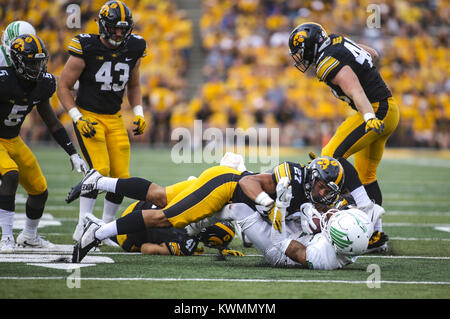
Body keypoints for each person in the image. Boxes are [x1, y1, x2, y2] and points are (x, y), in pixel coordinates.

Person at [69, 152, 383, 263]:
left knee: (160, 194)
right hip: (225, 188)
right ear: (313, 179)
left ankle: (99, 181)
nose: (324, 194)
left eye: (329, 191)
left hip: (227, 193)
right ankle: (98, 232)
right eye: (323, 188)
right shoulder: (293, 176)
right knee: (167, 218)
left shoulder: (314, 195)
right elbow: (247, 181)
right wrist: (266, 203)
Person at [288, 22, 400, 236]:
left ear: (311, 45)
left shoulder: (326, 61)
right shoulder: (338, 41)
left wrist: (368, 117)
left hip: (376, 110)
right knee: (366, 176)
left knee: (330, 156)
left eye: (300, 52)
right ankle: (376, 235)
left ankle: (366, 208)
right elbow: (372, 53)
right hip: (389, 109)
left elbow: (356, 90)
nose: (300, 58)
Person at [57, 1, 148, 243]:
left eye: (123, 28)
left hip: (115, 117)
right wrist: (77, 117)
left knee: (121, 178)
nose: (119, 33)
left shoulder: (135, 46)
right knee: (100, 172)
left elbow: (135, 84)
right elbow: (63, 86)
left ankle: (104, 229)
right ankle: (82, 226)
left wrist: (139, 112)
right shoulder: (86, 45)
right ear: (102, 25)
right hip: (89, 116)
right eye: (114, 27)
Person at [0, 34, 88, 253]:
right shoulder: (3, 80)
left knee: (40, 190)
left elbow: (52, 121)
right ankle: (6, 237)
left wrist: (72, 152)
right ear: (17, 61)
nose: (37, 68)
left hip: (13, 139)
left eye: (39, 62)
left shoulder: (43, 84)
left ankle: (29, 236)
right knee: (11, 174)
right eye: (31, 62)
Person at [86, 199, 243, 257]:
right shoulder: (186, 244)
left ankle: (102, 226)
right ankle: (99, 228)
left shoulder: (201, 208)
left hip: (138, 207)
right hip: (128, 236)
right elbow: (146, 248)